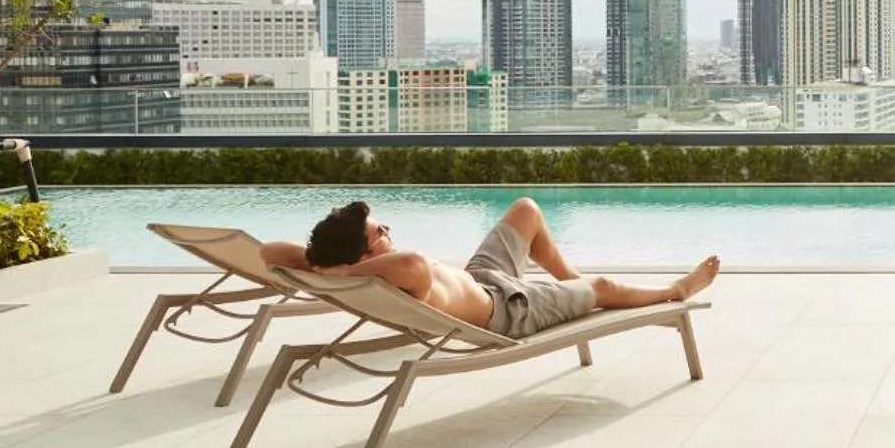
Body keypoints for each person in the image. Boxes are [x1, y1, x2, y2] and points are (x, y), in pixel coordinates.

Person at [260, 196, 719, 337]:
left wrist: (325, 266)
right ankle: (671, 292)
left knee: (526, 209)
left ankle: (568, 285)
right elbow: (415, 262)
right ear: (362, 255)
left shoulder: (363, 270)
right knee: (601, 286)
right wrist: (339, 268)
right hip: (509, 309)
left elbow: (269, 252)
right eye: (380, 232)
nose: (388, 233)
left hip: (481, 279)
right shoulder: (403, 272)